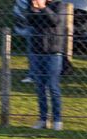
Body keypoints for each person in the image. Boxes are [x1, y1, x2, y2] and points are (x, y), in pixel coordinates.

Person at [27, 0, 65, 131]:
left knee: (53, 86)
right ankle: (43, 118)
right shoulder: (32, 5)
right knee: (40, 87)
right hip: (37, 51)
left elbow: (55, 21)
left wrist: (43, 7)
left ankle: (57, 119)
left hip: (53, 52)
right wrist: (34, 9)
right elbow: (30, 21)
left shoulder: (58, 5)